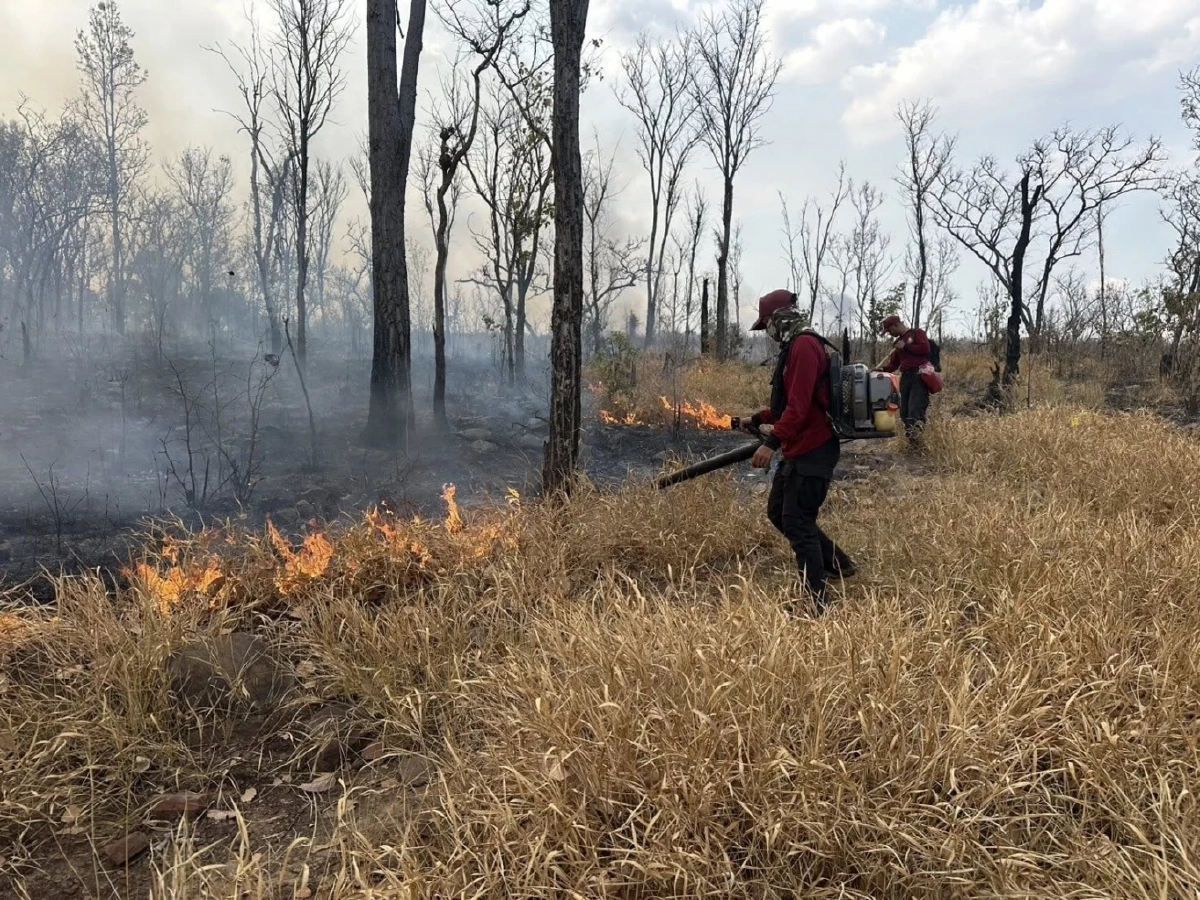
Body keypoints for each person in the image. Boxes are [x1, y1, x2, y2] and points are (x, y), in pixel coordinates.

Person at [739, 289, 856, 615]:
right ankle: (839, 565)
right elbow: (788, 404)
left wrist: (771, 442)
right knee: (779, 512)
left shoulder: (804, 346)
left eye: (767, 324)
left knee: (797, 522)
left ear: (779, 318)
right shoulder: (794, 347)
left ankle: (817, 603)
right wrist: (757, 419)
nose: (767, 332)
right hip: (800, 448)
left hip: (813, 450)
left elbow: (800, 407)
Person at [878, 314, 932, 448]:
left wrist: (906, 347)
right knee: (904, 412)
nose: (890, 333)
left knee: (915, 411)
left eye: (889, 330)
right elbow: (894, 364)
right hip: (906, 377)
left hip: (919, 375)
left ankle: (918, 445)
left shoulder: (917, 333)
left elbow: (925, 349)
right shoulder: (897, 343)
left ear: (896, 325)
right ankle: (912, 443)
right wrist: (882, 369)